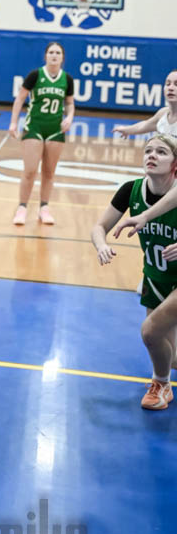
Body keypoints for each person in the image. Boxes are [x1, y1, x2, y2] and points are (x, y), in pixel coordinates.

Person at [92, 135, 177, 410]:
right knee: (170, 354)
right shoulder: (131, 190)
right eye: (148, 150)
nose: (152, 155)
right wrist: (101, 245)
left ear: (175, 163)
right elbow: (98, 227)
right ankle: (163, 381)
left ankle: (160, 385)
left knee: (150, 332)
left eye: (161, 152)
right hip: (156, 278)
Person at [8, 42, 75, 225]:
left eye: (58, 53)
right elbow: (20, 99)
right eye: (51, 52)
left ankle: (44, 208)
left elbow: (70, 103)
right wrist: (13, 122)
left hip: (55, 129)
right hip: (34, 127)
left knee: (49, 172)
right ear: (46, 56)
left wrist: (70, 117)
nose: (54, 55)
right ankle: (22, 208)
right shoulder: (35, 75)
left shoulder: (67, 79)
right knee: (30, 171)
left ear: (62, 57)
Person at [114, 70, 177, 140]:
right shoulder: (162, 114)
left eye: (176, 84)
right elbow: (144, 125)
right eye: (168, 84)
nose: (170, 88)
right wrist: (127, 130)